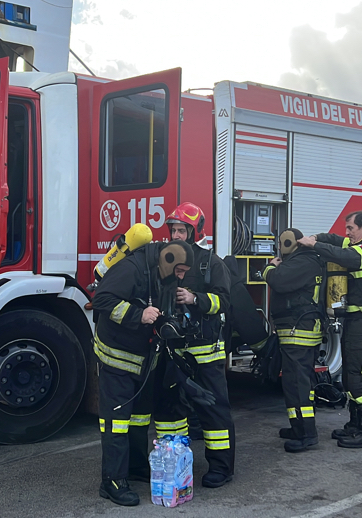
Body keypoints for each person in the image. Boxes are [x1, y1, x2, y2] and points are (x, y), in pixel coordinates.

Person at [92, 239, 195, 506]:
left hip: (142, 358)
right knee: (116, 421)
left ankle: (135, 467)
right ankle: (112, 481)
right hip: (117, 356)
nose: (181, 276)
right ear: (168, 260)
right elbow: (101, 299)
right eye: (180, 270)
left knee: (138, 418)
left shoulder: (163, 274)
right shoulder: (132, 269)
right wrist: (138, 314)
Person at [298, 211, 362, 448]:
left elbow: (344, 255)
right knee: (349, 376)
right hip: (355, 320)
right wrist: (316, 237)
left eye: (351, 228)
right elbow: (335, 240)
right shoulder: (354, 244)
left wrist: (315, 245)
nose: (347, 233)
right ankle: (355, 424)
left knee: (359, 377)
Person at [165, 202, 236, 488]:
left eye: (182, 230)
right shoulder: (166, 261)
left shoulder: (210, 263)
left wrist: (195, 299)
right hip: (174, 351)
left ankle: (221, 467)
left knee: (213, 410)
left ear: (195, 232)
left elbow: (225, 302)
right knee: (173, 410)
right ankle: (177, 464)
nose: (176, 235)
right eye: (173, 230)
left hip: (206, 351)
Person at [264, 228, 325, 453]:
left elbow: (278, 281)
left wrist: (270, 267)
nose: (281, 247)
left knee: (297, 385)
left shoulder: (302, 262)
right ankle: (298, 427)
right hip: (299, 330)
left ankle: (306, 434)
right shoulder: (305, 261)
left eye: (282, 243)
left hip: (299, 332)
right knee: (298, 383)